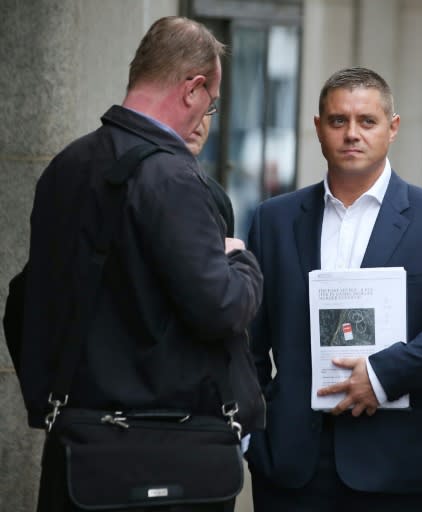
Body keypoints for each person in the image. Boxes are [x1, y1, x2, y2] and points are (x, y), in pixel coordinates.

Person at [18, 16, 263, 511]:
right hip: (167, 459)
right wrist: (242, 265)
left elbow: (27, 302)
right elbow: (220, 308)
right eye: (211, 103)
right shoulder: (172, 178)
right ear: (193, 89)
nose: (206, 117)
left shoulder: (67, 166)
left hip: (78, 455)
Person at [244, 67, 422, 511]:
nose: (351, 134)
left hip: (396, 466)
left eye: (367, 121)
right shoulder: (273, 220)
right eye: (338, 121)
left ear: (392, 128)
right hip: (290, 466)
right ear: (318, 128)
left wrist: (382, 375)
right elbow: (248, 340)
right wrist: (251, 436)